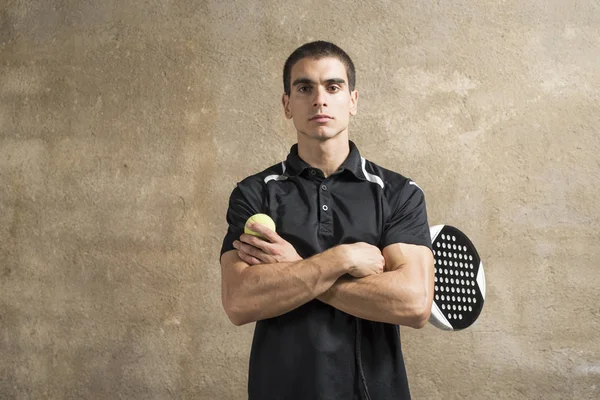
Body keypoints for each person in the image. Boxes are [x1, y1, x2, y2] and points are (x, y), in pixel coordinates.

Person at [220, 41, 434, 400]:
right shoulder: (255, 193)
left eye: (333, 87)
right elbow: (239, 301)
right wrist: (342, 260)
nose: (319, 99)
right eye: (305, 88)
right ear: (287, 104)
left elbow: (413, 303)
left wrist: (296, 269)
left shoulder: (399, 193)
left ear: (352, 101)